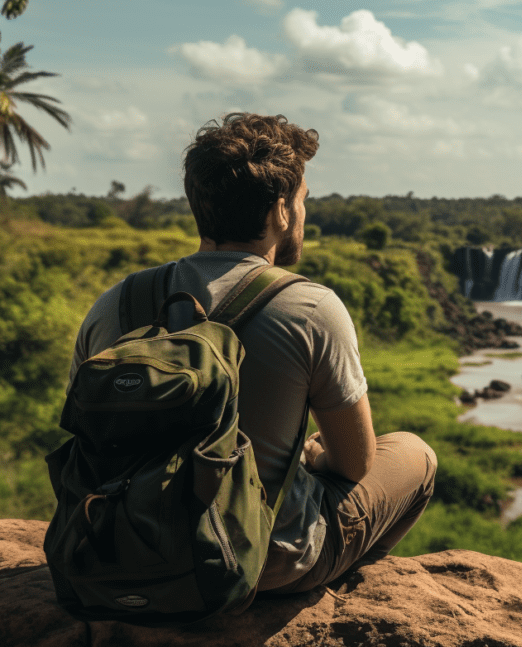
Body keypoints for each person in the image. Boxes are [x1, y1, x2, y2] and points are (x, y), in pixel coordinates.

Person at [68, 112, 437, 594]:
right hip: (266, 566)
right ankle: (348, 587)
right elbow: (355, 465)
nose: (305, 215)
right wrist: (311, 457)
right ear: (282, 210)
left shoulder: (116, 302)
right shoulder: (311, 307)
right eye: (304, 201)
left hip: (120, 550)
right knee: (416, 453)